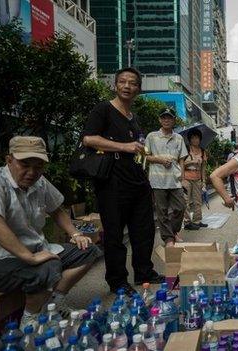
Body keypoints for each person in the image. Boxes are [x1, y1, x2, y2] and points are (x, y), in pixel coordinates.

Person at [0, 136, 102, 328]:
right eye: (25, 164)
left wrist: (76, 234)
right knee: (48, 268)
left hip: (34, 252)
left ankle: (53, 304)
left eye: (38, 166)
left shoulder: (39, 182)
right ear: (9, 160)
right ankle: (30, 321)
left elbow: (55, 209)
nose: (31, 172)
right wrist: (30, 257)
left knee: (88, 250)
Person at [83, 67, 163, 295]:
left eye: (133, 83)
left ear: (139, 89)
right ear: (115, 85)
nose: (127, 86)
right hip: (112, 182)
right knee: (115, 234)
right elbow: (89, 139)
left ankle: (144, 272)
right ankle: (117, 281)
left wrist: (144, 156)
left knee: (144, 230)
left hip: (136, 180)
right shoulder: (104, 110)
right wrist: (123, 146)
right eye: (123, 82)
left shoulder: (133, 117)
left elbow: (135, 149)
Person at [145, 109, 188, 246]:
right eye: (164, 118)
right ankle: (169, 238)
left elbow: (182, 159)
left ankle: (172, 231)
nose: (166, 120)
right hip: (157, 180)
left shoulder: (179, 138)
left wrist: (182, 176)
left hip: (174, 180)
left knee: (181, 207)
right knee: (162, 211)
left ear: (174, 120)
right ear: (159, 120)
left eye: (169, 118)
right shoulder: (151, 136)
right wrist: (160, 160)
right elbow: (145, 156)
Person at [182, 128, 208, 230]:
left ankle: (197, 221)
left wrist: (203, 181)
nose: (195, 140)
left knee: (198, 201)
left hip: (197, 179)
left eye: (197, 138)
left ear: (200, 139)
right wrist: (191, 162)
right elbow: (180, 164)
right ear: (189, 139)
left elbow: (203, 168)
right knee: (186, 201)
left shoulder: (202, 151)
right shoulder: (186, 150)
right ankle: (187, 222)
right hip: (186, 179)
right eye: (193, 138)